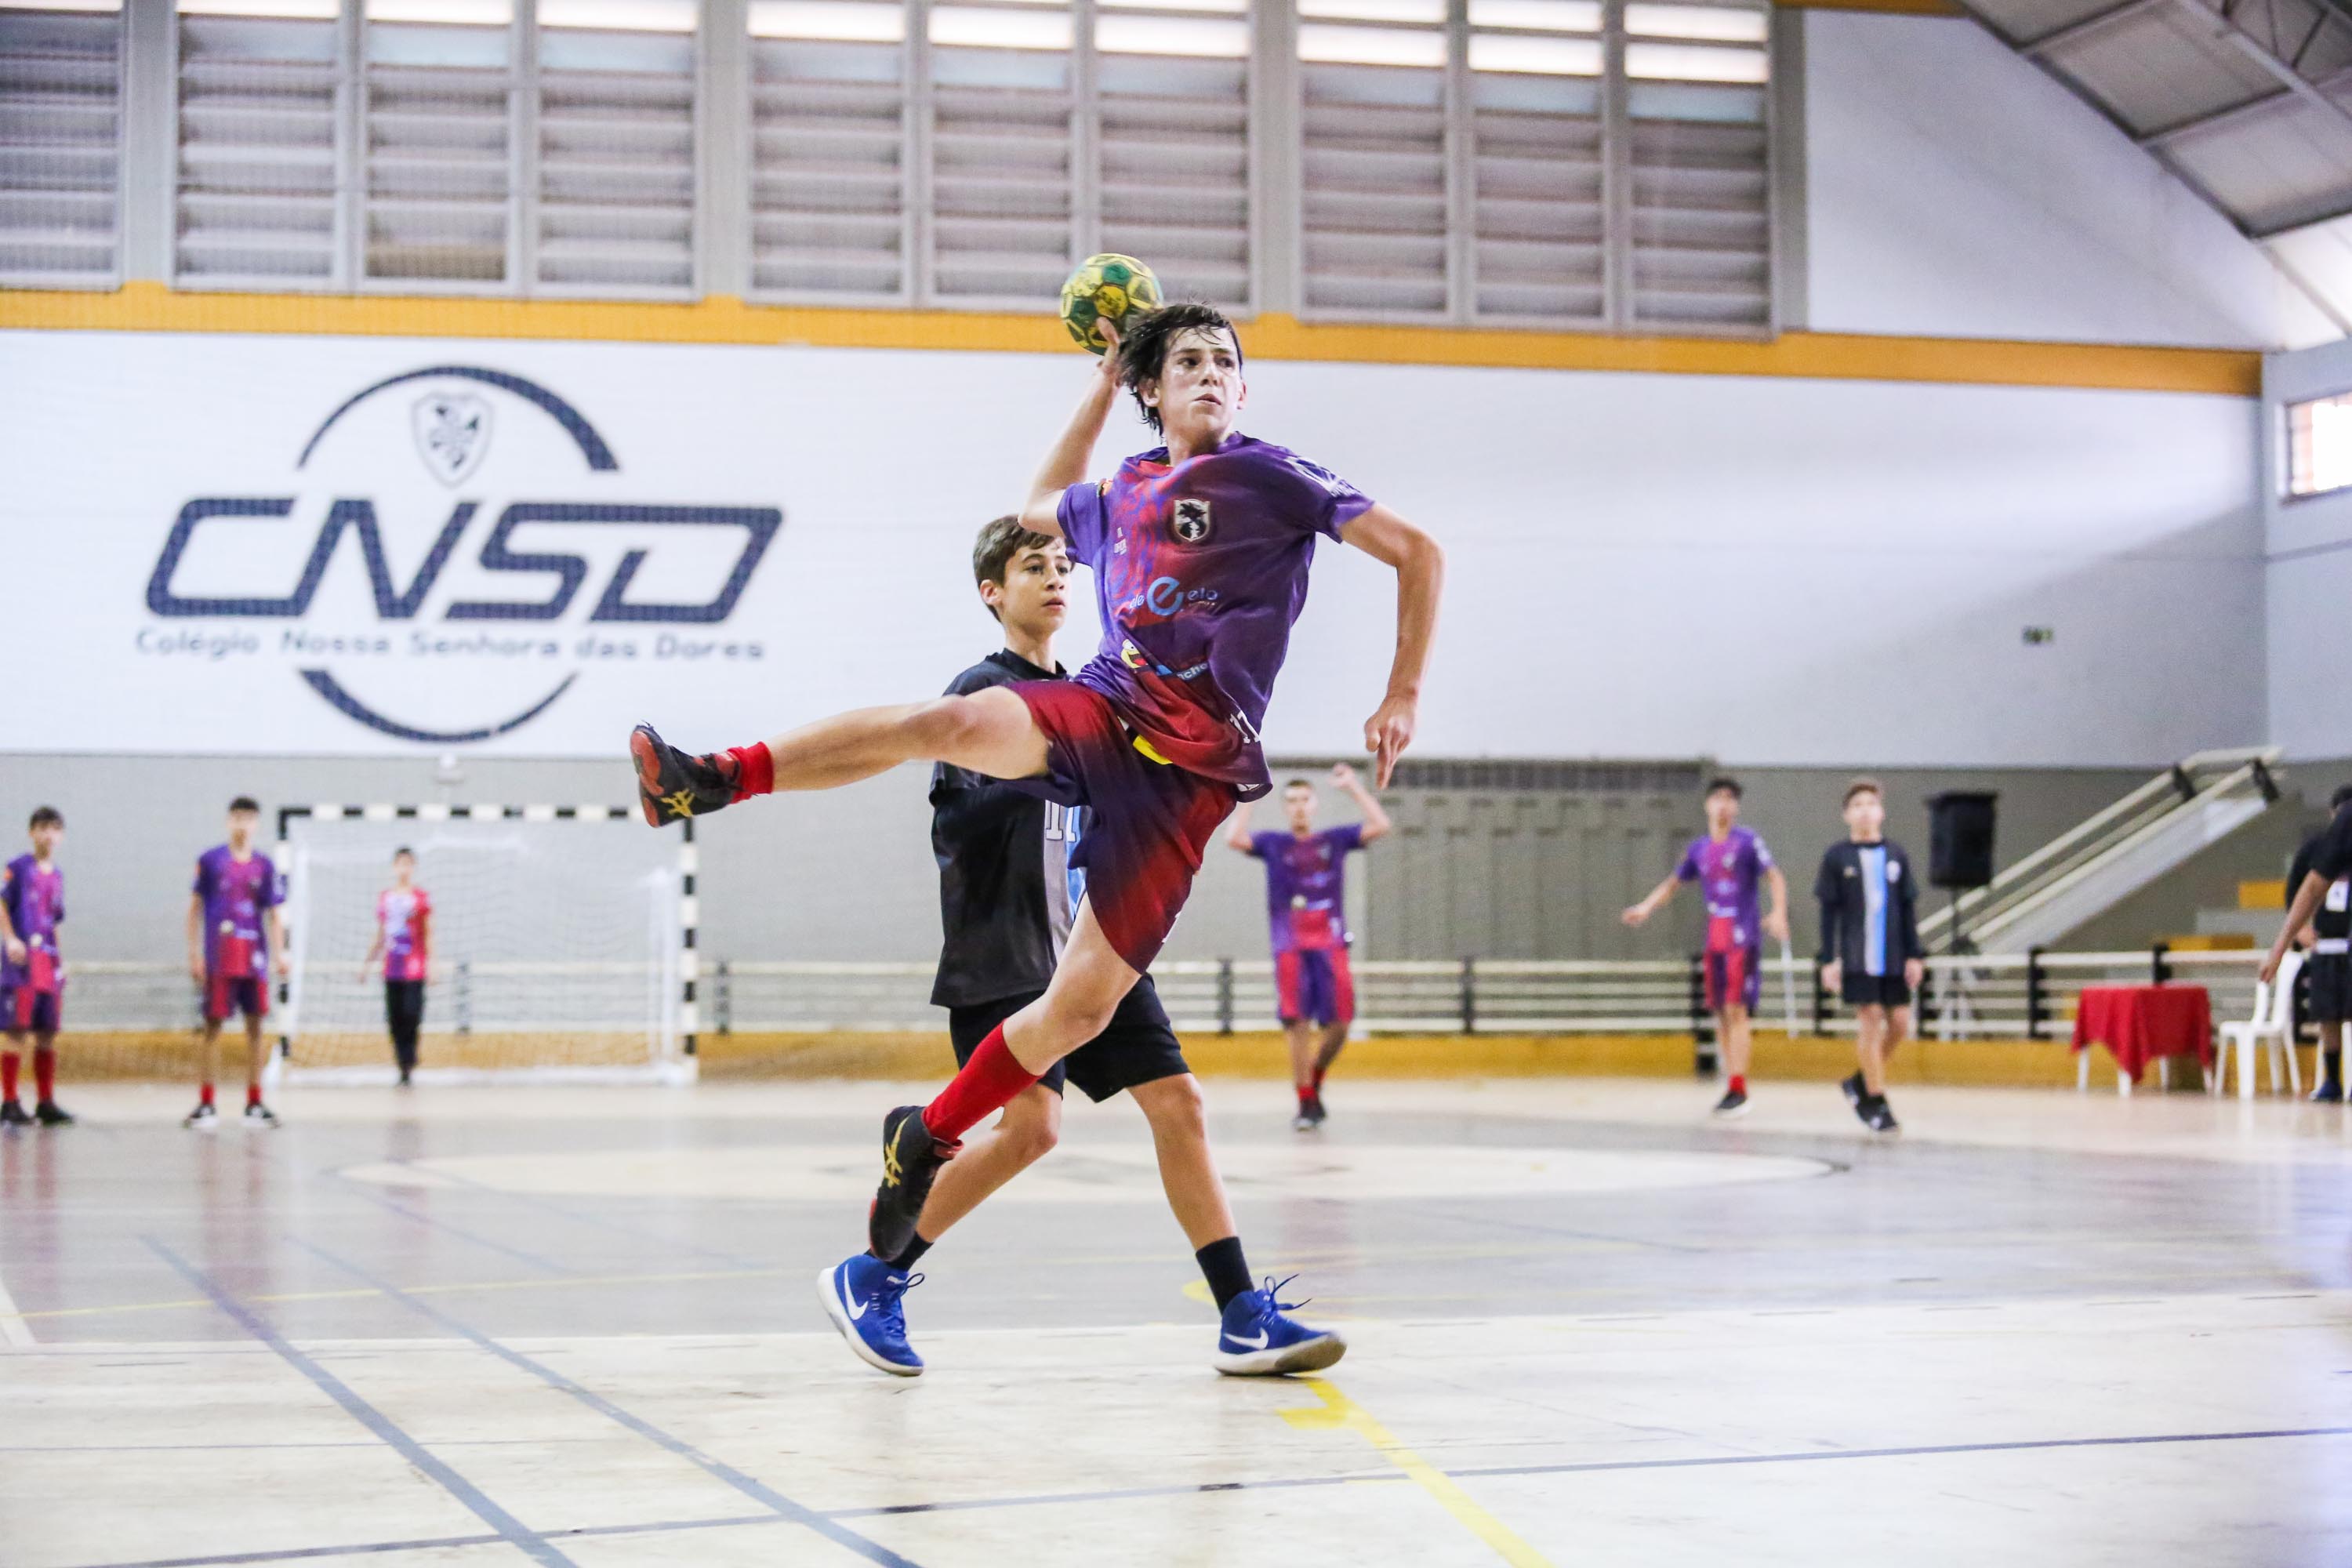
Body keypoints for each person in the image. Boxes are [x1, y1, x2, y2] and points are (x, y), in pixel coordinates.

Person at [628, 301, 1443, 1352]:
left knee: (1083, 1012)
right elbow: (1034, 507)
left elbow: (1417, 552)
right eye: (1186, 361)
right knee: (949, 719)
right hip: (1106, 708)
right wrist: (1101, 384)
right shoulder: (1125, 491)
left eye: (1225, 363)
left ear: (1245, 389)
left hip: (1187, 782)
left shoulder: (1272, 475)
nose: (1208, 373)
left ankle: (929, 1141)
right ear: (1153, 390)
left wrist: (1403, 691)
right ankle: (712, 779)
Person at [819, 516, 1341, 1377]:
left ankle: (1243, 1311)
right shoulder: (988, 694)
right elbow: (959, 818)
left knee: (1180, 1104)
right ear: (994, 591)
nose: (1057, 577)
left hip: (1096, 938)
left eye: (1065, 564)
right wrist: (1054, 769)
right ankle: (873, 1274)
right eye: (1034, 567)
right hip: (1010, 944)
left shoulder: (1099, 698)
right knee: (1031, 1131)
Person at [1225, 764, 1390, 1129]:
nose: (1299, 807)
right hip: (1290, 945)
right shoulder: (1274, 844)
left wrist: (1353, 789)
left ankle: (1315, 1077)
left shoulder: (1333, 840)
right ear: (1286, 808)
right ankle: (1305, 1101)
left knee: (1341, 1023)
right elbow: (1234, 838)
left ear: (1314, 805)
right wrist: (1249, 796)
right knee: (1297, 1024)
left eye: (1304, 800)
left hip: (1330, 943)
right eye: (1292, 801)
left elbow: (1381, 825)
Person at [1621, 777, 1788, 1119]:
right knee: (1721, 1013)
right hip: (1716, 938)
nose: (1723, 805)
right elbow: (1673, 883)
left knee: (1737, 1009)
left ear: (1736, 807)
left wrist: (1778, 912)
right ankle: (1731, 1082)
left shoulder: (1747, 842)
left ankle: (1740, 1087)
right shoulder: (1699, 849)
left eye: (1730, 799)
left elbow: (1774, 875)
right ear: (1707, 805)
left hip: (1742, 936)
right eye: (1717, 798)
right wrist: (1646, 907)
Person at [1814, 779, 1918, 1135]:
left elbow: (1907, 908)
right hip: (1859, 955)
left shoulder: (1896, 856)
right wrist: (1830, 959)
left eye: (1871, 803)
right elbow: (1829, 913)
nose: (1864, 810)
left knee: (1901, 1023)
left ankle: (1859, 1082)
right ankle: (1876, 1100)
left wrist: (1914, 955)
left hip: (1893, 955)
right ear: (1846, 814)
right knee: (1870, 1020)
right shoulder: (1837, 857)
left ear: (1882, 812)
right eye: (1857, 804)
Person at [184, 797, 285, 1130]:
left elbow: (273, 915)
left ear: (256, 824)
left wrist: (280, 953)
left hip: (253, 958)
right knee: (211, 1028)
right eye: (237, 817)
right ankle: (207, 1103)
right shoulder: (211, 861)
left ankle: (255, 1102)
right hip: (219, 958)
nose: (242, 824)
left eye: (249, 818)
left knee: (255, 1028)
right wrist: (195, 953)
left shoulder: (265, 866)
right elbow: (195, 909)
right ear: (229, 821)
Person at [2264, 783, 2352, 1102]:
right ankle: (2332, 1079)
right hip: (2330, 944)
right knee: (2330, 1013)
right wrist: (2284, 944)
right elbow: (2309, 887)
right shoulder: (2330, 838)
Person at [0, 806, 72, 1127]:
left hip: (47, 962)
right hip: (22, 962)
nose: (47, 834)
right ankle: (10, 1102)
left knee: (47, 1032)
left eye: (53, 828)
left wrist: (61, 959)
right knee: (17, 1029)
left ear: (61, 836)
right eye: (41, 827)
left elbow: (53, 920)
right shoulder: (17, 867)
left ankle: (45, 1102)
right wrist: (11, 939)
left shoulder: (57, 876)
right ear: (32, 832)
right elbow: (2, 903)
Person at [360, 848, 431, 1087]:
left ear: (413, 868)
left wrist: (432, 965)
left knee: (412, 1014)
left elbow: (428, 932)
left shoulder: (420, 898)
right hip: (392, 968)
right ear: (394, 867)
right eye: (400, 864)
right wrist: (367, 965)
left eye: (408, 864)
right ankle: (402, 1065)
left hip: (415, 967)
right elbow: (380, 935)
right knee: (395, 1018)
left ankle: (410, 1058)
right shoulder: (386, 898)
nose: (404, 868)